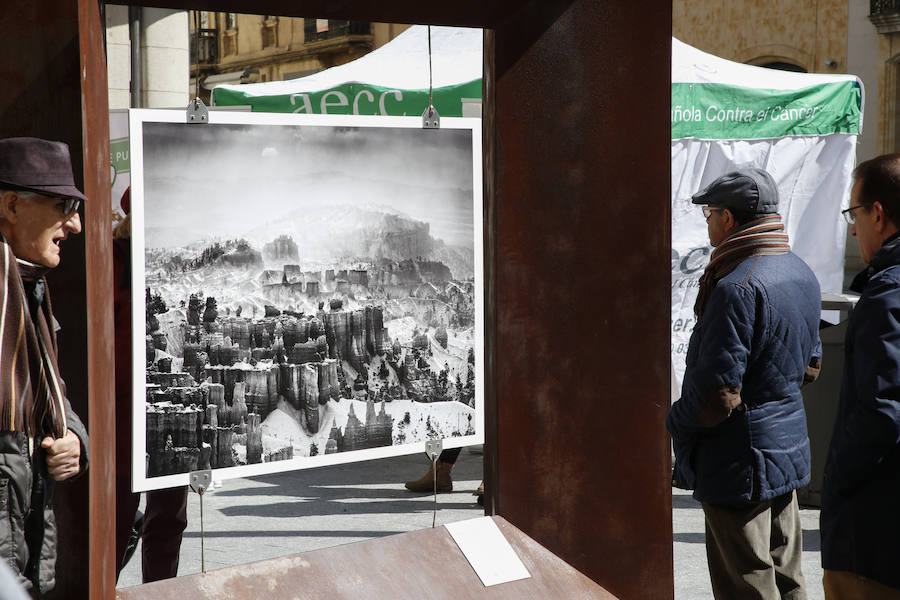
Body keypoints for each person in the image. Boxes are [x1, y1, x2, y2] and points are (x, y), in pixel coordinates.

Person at [666, 168, 821, 599]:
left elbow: (717, 396)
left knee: (747, 583)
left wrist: (675, 421)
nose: (709, 222)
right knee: (788, 578)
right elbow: (811, 368)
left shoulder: (738, 286)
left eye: (710, 213)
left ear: (729, 219)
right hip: (785, 449)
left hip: (739, 463)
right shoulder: (800, 271)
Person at [0, 137, 90, 595]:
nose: (74, 224)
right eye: (62, 205)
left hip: (23, 534)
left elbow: (51, 388)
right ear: (12, 205)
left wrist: (75, 438)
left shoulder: (30, 285)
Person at [821, 154, 900, 598]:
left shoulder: (887, 294)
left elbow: (882, 412)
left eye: (854, 212)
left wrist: (836, 483)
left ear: (877, 213)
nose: (853, 229)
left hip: (874, 533)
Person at [112, 190, 188, 583]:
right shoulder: (114, 261)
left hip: (167, 413)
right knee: (116, 524)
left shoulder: (167, 269)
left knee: (170, 520)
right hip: (122, 420)